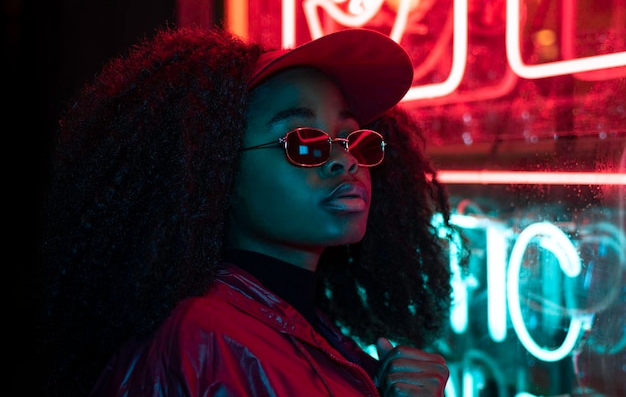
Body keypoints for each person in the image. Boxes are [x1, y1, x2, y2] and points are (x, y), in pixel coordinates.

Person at [39, 26, 463, 397]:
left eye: (353, 139)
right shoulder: (203, 340)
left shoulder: (308, 328)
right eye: (303, 141)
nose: (345, 160)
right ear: (216, 168)